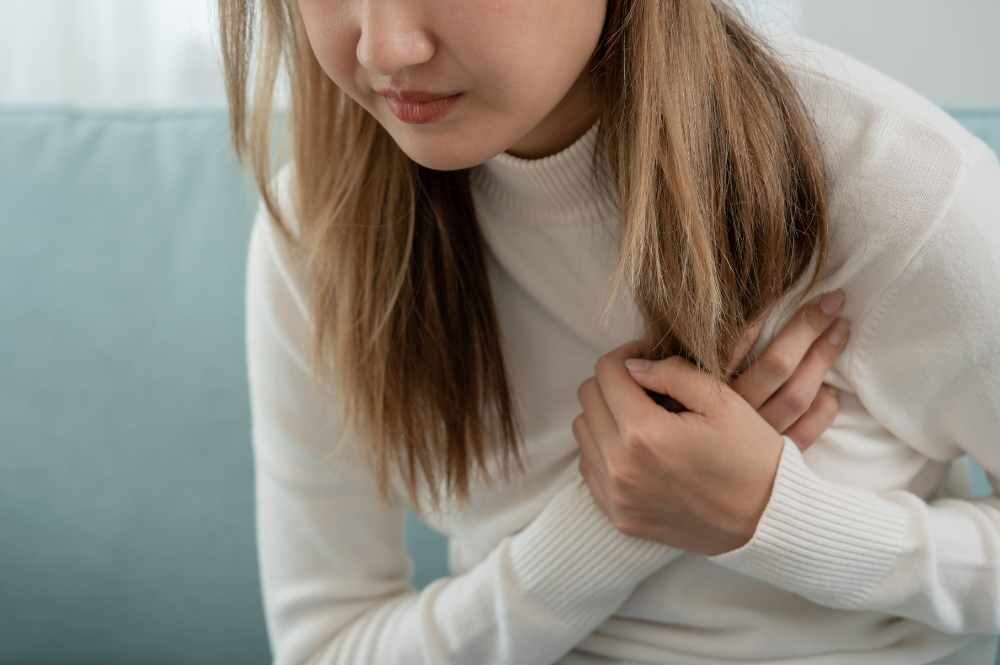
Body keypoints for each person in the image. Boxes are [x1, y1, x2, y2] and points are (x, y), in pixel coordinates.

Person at [221, 1, 1000, 663]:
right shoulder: (320, 232)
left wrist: (777, 517)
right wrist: (605, 532)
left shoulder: (888, 182)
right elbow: (330, 642)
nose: (386, 45)